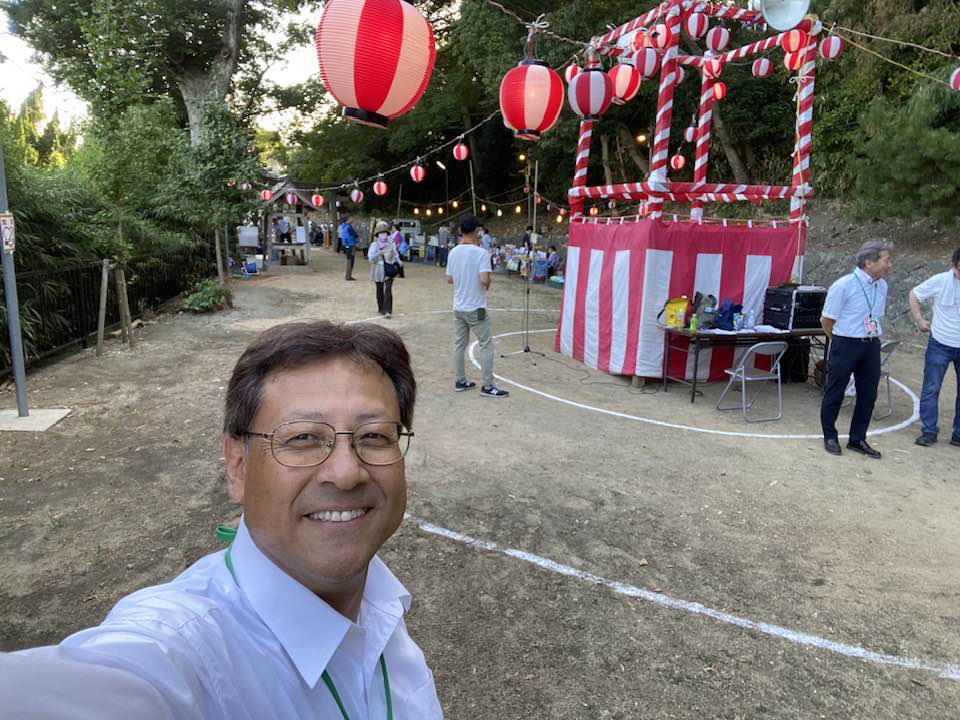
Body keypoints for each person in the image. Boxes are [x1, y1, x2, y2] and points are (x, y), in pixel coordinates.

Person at [0, 321, 443, 719]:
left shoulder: (382, 601)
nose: (347, 473)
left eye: (374, 436)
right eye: (303, 438)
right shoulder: (185, 651)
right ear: (237, 464)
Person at [820, 239, 894, 458]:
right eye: (886, 260)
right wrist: (838, 340)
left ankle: (857, 438)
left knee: (868, 394)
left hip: (871, 343)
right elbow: (826, 320)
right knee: (836, 390)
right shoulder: (844, 285)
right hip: (846, 342)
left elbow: (876, 315)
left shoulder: (882, 285)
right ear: (869, 262)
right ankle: (830, 435)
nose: (890, 265)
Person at [446, 215, 509, 399]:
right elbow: (484, 279)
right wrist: (488, 283)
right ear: (476, 231)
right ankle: (488, 385)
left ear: (460, 231)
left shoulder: (453, 252)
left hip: (459, 306)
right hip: (476, 307)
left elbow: (449, 279)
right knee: (486, 344)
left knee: (459, 344)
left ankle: (460, 380)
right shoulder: (481, 253)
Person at [909, 247, 960, 447]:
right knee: (931, 388)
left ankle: (958, 434)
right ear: (953, 265)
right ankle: (929, 430)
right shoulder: (941, 280)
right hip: (940, 342)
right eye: (958, 270)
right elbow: (914, 294)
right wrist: (919, 319)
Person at [368, 220, 401, 318]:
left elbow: (395, 255)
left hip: (388, 268)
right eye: (381, 233)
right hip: (377, 268)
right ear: (377, 235)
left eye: (385, 233)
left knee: (388, 289)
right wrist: (378, 253)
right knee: (379, 289)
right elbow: (370, 258)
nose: (383, 235)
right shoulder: (374, 245)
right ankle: (381, 308)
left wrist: (399, 261)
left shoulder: (391, 244)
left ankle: (388, 310)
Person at [338, 215, 358, 280]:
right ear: (347, 220)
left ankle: (348, 275)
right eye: (351, 218)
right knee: (351, 260)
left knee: (348, 259)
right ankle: (348, 276)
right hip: (351, 244)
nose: (352, 219)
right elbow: (355, 235)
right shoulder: (349, 227)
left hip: (345, 245)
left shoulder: (342, 227)